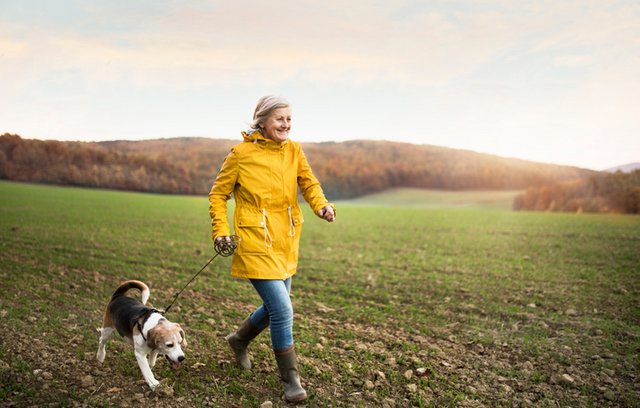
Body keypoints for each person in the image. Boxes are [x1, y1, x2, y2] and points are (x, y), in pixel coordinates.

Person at [208, 95, 335, 402]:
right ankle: (291, 379)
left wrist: (321, 206)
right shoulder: (240, 154)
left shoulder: (294, 150)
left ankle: (238, 340)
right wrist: (221, 231)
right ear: (262, 120)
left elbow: (309, 183)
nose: (286, 124)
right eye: (280, 119)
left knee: (275, 307)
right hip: (253, 240)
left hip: (285, 239)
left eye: (289, 119)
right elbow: (217, 195)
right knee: (282, 309)